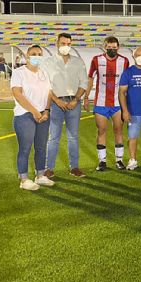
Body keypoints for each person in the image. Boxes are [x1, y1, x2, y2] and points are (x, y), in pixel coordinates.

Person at [42, 33, 88, 178]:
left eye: (68, 44)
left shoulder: (78, 62)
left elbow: (83, 83)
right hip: (56, 104)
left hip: (74, 103)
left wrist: (76, 99)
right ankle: (48, 168)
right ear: (57, 43)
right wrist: (56, 100)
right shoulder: (48, 62)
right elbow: (46, 85)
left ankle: (74, 167)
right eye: (62, 43)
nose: (65, 46)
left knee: (73, 136)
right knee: (54, 136)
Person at [11, 45, 54, 190]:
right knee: (25, 148)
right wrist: (35, 112)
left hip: (43, 115)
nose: (37, 56)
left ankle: (40, 175)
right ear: (27, 56)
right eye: (33, 53)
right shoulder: (19, 73)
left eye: (39, 54)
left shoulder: (44, 73)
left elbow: (49, 93)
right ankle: (24, 180)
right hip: (24, 115)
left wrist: (46, 110)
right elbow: (18, 94)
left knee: (41, 147)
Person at [85, 37, 130, 171]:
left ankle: (119, 160)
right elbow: (90, 78)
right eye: (109, 47)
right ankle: (102, 161)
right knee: (101, 131)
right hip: (100, 102)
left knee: (118, 130)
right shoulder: (96, 60)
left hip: (118, 103)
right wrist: (86, 97)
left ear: (118, 47)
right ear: (105, 47)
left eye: (114, 47)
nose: (112, 50)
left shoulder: (124, 61)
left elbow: (127, 82)